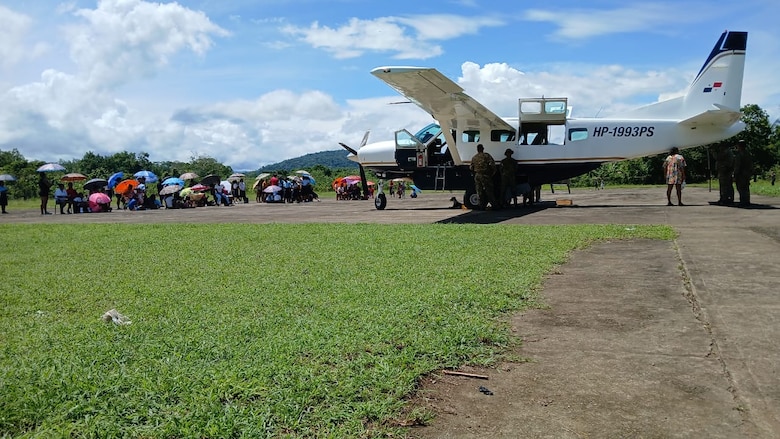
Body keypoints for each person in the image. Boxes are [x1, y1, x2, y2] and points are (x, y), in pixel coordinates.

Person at [469, 143, 498, 209]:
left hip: (477, 175)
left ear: (477, 149)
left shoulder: (474, 157)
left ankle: (481, 206)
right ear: (483, 149)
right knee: (489, 190)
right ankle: (494, 205)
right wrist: (492, 173)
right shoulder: (486, 156)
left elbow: (471, 167)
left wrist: (475, 173)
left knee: (479, 191)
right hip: (485, 175)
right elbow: (492, 165)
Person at [733, 140, 752, 206]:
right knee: (746, 187)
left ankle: (743, 201)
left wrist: (735, 175)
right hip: (747, 173)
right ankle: (747, 201)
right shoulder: (748, 154)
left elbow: (737, 166)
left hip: (741, 174)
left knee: (741, 188)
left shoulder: (739, 155)